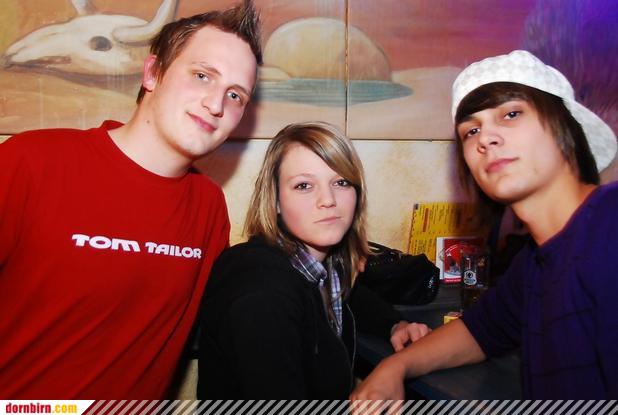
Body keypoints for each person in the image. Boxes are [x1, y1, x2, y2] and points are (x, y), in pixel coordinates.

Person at [0, 1, 261, 398]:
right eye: (202, 75)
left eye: (236, 95)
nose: (216, 105)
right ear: (153, 73)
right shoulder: (30, 162)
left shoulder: (208, 207)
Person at [351, 50, 618, 400]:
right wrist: (396, 366)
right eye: (471, 130)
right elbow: (479, 331)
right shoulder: (535, 261)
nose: (485, 138)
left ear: (564, 126)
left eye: (511, 114)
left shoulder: (609, 226)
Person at [197, 122, 430, 398]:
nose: (328, 200)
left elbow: (347, 296)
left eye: (341, 182)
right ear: (275, 201)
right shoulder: (263, 292)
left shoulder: (317, 266)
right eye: (304, 185)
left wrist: (394, 324)